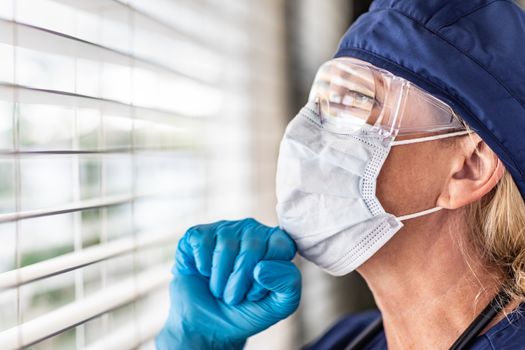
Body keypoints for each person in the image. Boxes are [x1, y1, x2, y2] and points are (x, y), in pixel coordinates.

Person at [156, 0, 525, 349]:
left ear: (469, 167)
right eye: (322, 101)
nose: (302, 133)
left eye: (358, 99)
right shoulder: (347, 339)